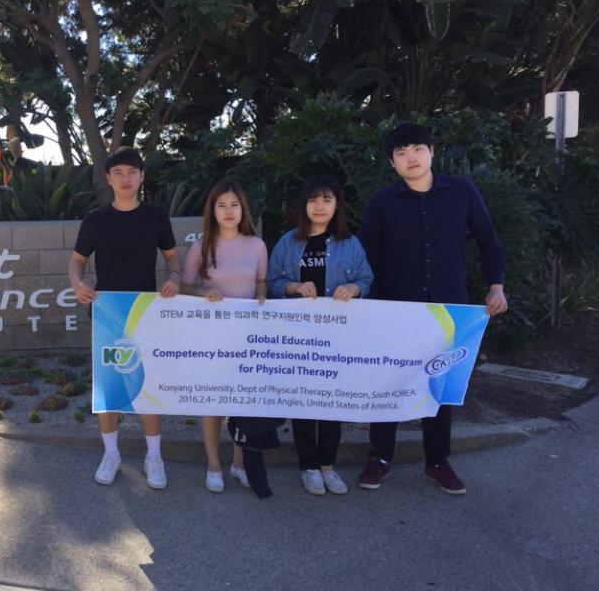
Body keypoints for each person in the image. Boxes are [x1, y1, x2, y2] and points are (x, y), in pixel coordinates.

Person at [359, 123, 508, 495]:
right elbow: (367, 257)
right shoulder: (381, 202)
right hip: (394, 309)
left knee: (439, 384)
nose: (410, 157)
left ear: (432, 151)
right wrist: (365, 305)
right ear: (392, 162)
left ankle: (437, 461)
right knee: (389, 382)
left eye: (417, 149)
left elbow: (488, 239)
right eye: (401, 152)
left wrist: (496, 285)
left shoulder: (462, 192)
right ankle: (380, 457)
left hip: (447, 309)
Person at [69, 147, 181, 489]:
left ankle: (154, 457)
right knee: (109, 386)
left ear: (142, 176)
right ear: (108, 178)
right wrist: (77, 284)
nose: (126, 178)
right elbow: (77, 261)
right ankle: (111, 454)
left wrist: (175, 277)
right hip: (107, 310)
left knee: (147, 385)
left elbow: (172, 257)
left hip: (145, 311)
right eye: (118, 172)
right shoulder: (95, 220)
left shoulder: (156, 217)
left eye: (132, 171)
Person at [267, 174, 373, 496]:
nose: (319, 206)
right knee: (303, 401)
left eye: (327, 200)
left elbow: (366, 280)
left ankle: (328, 465)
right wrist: (294, 286)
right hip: (299, 336)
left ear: (337, 205)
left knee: (331, 402)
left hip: (337, 337)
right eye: (313, 200)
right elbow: (272, 283)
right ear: (304, 205)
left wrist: (353, 287)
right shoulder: (288, 242)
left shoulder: (350, 243)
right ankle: (308, 467)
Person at [181, 180, 267, 493]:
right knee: (213, 401)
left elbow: (261, 281)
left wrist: (262, 294)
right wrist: (204, 293)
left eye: (234, 205)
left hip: (247, 337)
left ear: (242, 209)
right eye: (221, 205)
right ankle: (214, 465)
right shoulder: (200, 247)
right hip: (211, 337)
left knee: (242, 401)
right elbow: (184, 286)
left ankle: (239, 464)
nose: (228, 211)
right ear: (212, 211)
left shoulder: (256, 245)